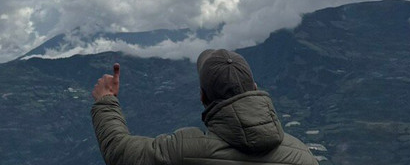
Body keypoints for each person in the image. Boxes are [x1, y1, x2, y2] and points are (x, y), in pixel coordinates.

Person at [90, 50, 319, 165]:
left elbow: (119, 152)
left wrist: (106, 100)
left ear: (202, 97)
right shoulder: (303, 156)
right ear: (255, 88)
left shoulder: (184, 150)